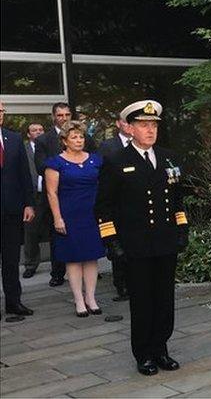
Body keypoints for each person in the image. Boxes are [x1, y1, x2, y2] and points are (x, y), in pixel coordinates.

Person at [95, 100, 188, 375]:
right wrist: (111, 241)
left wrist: (182, 229)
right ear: (130, 128)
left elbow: (178, 201)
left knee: (164, 299)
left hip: (165, 241)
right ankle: (144, 353)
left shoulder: (170, 157)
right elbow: (103, 206)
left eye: (154, 125)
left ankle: (161, 348)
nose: (150, 130)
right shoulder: (116, 161)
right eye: (144, 125)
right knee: (142, 301)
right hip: (135, 245)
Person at [45, 121, 106, 317]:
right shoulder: (55, 163)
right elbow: (51, 193)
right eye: (74, 137)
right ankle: (78, 300)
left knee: (91, 256)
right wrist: (57, 218)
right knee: (73, 259)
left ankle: (91, 297)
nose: (79, 140)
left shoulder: (95, 160)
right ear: (64, 140)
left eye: (81, 137)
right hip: (69, 216)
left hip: (92, 214)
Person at [34, 103, 97, 287]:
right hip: (58, 195)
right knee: (58, 237)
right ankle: (58, 273)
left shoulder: (85, 137)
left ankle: (87, 268)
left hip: (83, 196)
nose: (64, 118)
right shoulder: (44, 140)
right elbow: (40, 166)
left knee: (85, 235)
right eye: (60, 115)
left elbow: (94, 160)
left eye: (67, 114)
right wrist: (63, 164)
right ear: (53, 116)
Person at [0, 101, 36, 317]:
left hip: (12, 210)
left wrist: (29, 203)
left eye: (2, 111)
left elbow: (24, 174)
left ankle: (14, 302)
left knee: (11, 260)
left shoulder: (13, 139)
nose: (0, 114)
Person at [97, 114, 134, 302]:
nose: (128, 126)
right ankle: (122, 286)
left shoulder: (141, 144)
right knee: (118, 248)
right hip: (116, 206)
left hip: (136, 206)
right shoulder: (107, 146)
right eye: (125, 122)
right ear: (119, 124)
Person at [21, 122, 45, 278]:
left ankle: (61, 266)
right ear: (28, 134)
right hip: (32, 195)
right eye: (34, 130)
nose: (38, 132)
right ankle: (30, 264)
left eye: (41, 130)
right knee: (31, 232)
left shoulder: (51, 146)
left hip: (51, 194)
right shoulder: (23, 149)